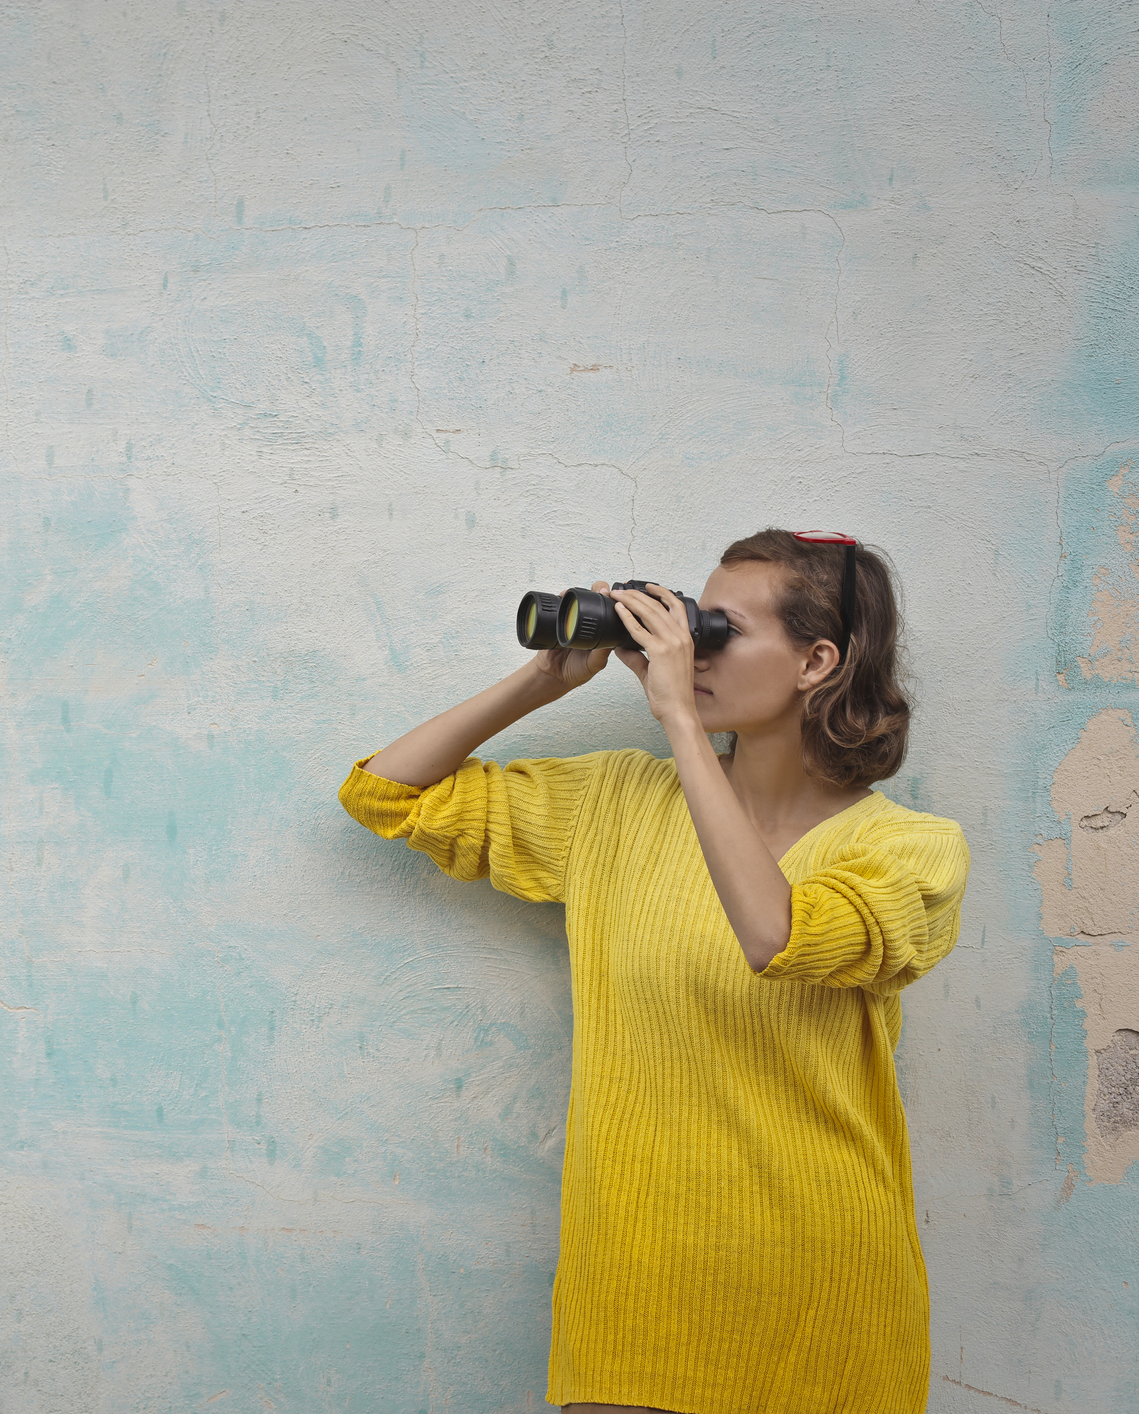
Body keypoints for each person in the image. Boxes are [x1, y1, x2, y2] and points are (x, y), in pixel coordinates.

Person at [338, 529, 969, 1414]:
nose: (689, 648)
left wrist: (677, 717)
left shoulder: (910, 852)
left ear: (815, 661)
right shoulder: (614, 803)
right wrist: (544, 678)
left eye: (718, 629)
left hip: (819, 1286)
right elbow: (383, 793)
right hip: (634, 1279)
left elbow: (777, 936)